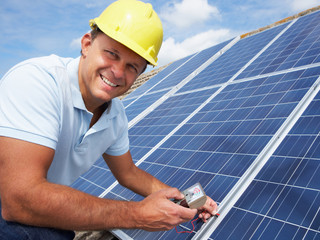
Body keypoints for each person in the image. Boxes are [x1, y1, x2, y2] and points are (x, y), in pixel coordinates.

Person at [0, 0, 218, 239]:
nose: (117, 72)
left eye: (132, 66)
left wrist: (189, 199)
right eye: (111, 54)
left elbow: (128, 173)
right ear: (86, 44)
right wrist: (138, 214)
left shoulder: (115, 116)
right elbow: (19, 199)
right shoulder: (37, 82)